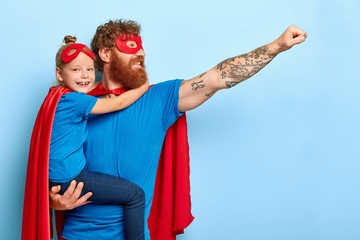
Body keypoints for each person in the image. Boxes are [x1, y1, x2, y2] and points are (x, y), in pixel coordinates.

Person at [46, 20, 306, 240]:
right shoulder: (74, 105)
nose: (142, 54)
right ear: (105, 54)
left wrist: (277, 46)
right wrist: (51, 201)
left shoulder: (158, 99)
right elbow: (48, 167)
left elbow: (217, 78)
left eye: (142, 47)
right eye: (131, 46)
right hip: (76, 234)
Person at [23, 36, 150, 240]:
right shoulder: (75, 101)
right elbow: (117, 104)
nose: (85, 76)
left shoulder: (56, 96)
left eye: (90, 69)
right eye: (76, 70)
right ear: (59, 74)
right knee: (136, 195)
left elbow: (90, 89)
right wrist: (142, 87)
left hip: (55, 179)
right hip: (72, 179)